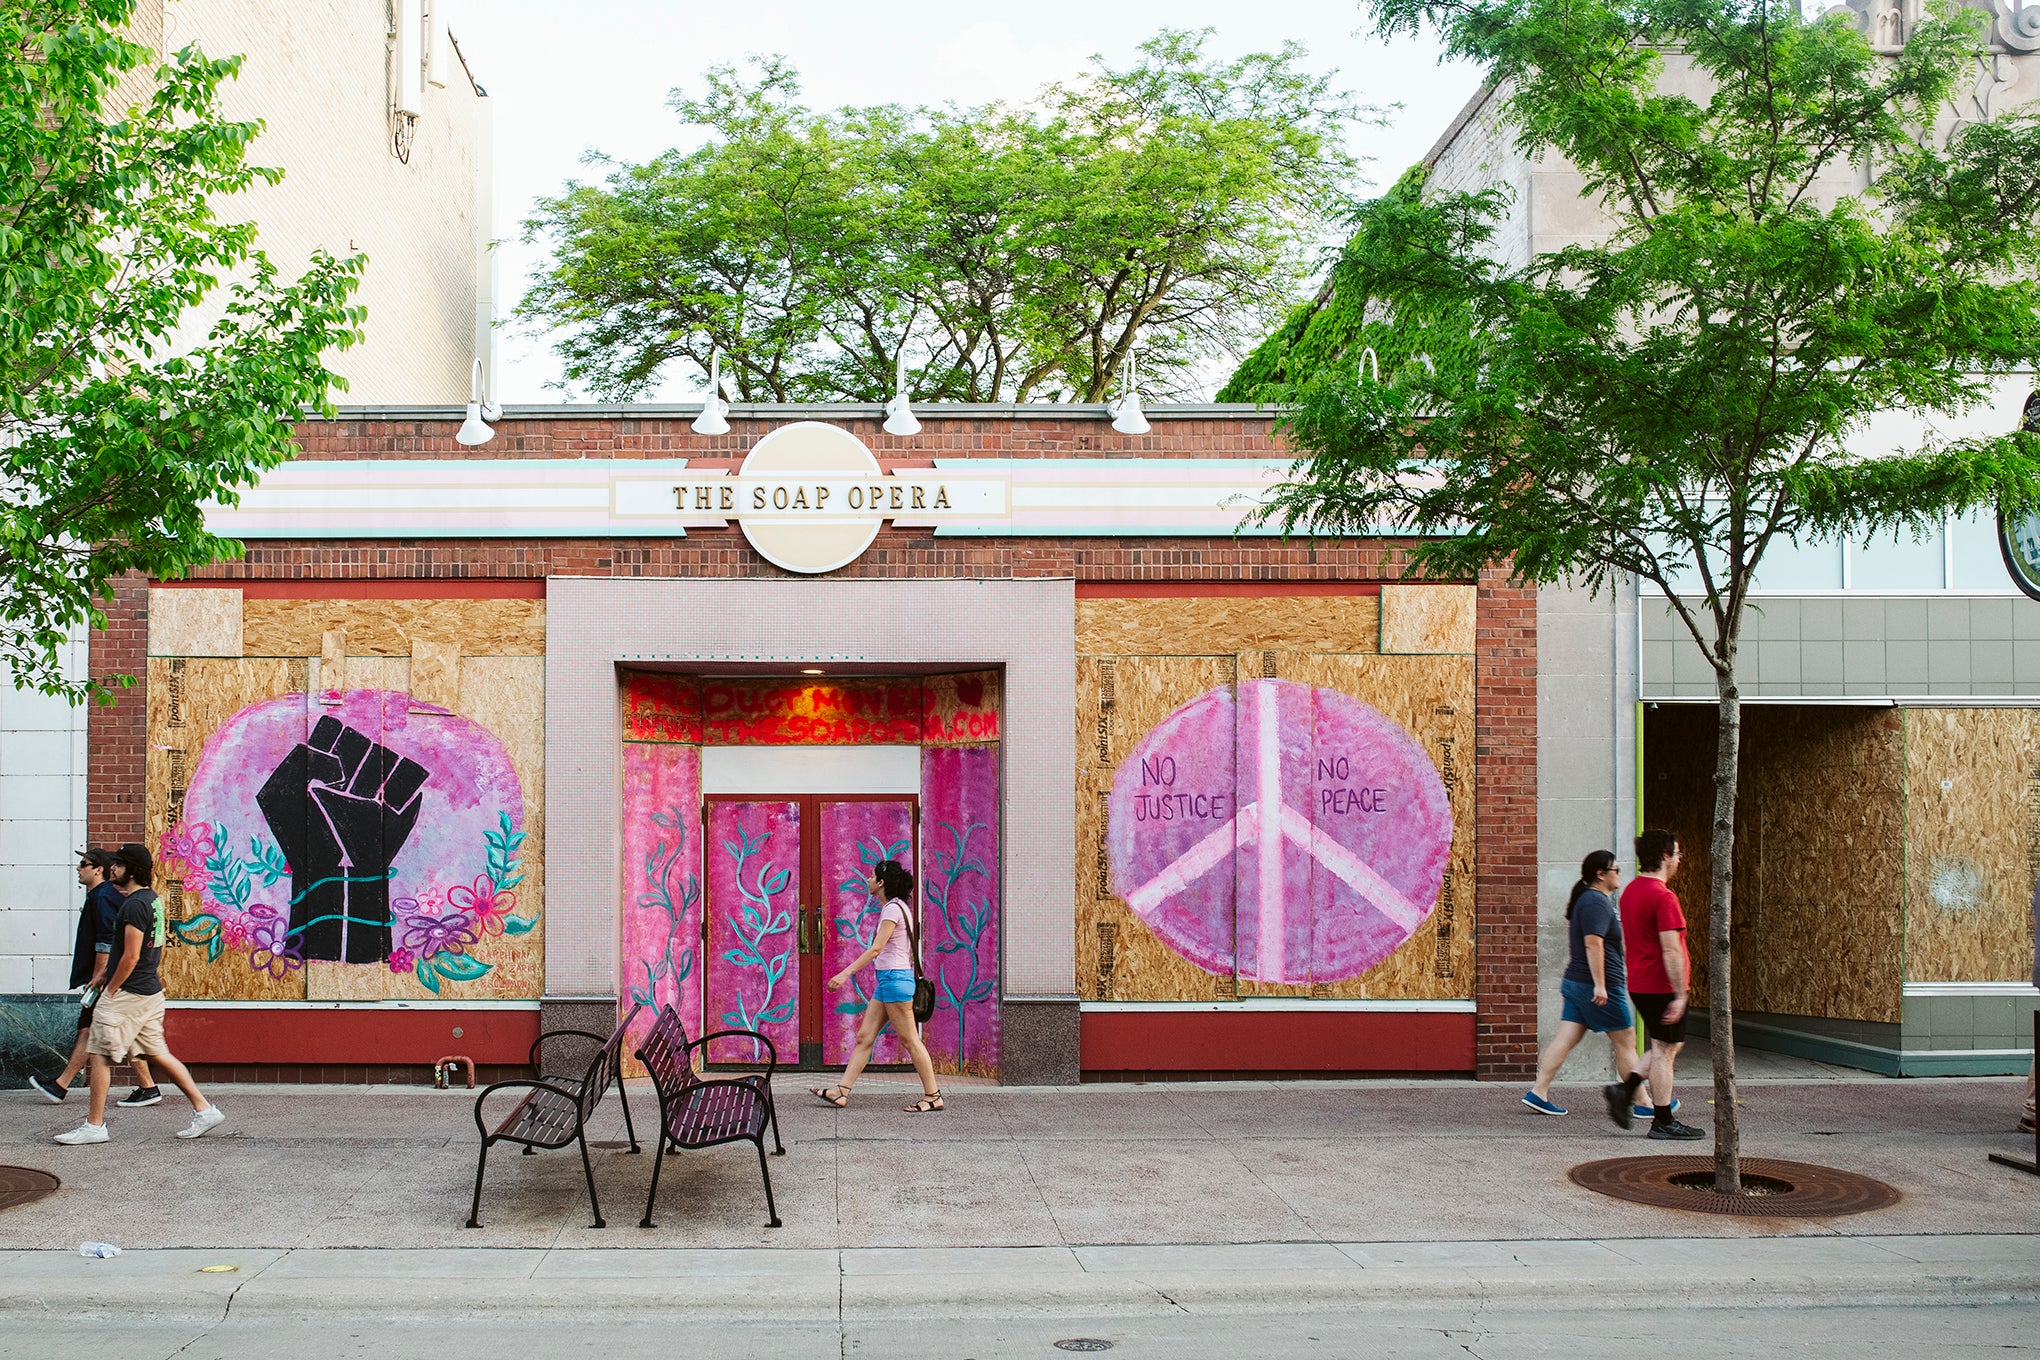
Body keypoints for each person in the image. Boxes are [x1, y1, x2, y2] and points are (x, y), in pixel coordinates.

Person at [54, 845, 224, 1144]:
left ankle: (94, 1126)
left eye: (117, 865)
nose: (112, 869)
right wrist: (104, 973)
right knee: (159, 1054)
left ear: (129, 870)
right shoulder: (152, 901)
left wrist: (113, 987)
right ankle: (205, 1109)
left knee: (100, 1055)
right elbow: (141, 951)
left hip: (129, 993)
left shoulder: (133, 906)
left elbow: (131, 956)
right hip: (149, 991)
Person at [806, 859, 945, 1114]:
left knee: (910, 1040)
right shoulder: (897, 907)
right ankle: (841, 1091)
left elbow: (876, 948)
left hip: (894, 981)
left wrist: (845, 973)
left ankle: (933, 1095)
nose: (868, 880)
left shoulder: (892, 909)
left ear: (881, 883)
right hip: (887, 982)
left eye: (872, 877)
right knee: (864, 1037)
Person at [1523, 850, 1647, 1126]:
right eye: (1615, 870)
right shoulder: (1594, 902)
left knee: (1566, 1038)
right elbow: (1594, 944)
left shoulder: (1592, 900)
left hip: (1577, 983)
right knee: (1626, 1041)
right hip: (1597, 986)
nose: (1619, 875)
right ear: (1600, 874)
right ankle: (1643, 1103)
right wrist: (1601, 986)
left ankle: (1538, 1091)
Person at [31, 850, 160, 1107]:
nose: (78, 868)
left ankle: (62, 1087)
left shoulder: (103, 897)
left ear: (97, 869)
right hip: (114, 981)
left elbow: (108, 942)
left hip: (109, 982)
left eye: (84, 864)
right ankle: (148, 1087)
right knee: (121, 1032)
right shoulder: (104, 896)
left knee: (90, 1031)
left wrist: (100, 982)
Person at [1619, 829, 1704, 1140]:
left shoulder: (1631, 892)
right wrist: (1679, 994)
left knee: (1666, 1045)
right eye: (1678, 854)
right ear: (1666, 856)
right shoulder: (1663, 897)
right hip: (1661, 985)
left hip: (1641, 981)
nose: (1680, 860)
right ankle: (1663, 1120)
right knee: (1664, 1051)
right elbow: (1670, 949)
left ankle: (1625, 1090)